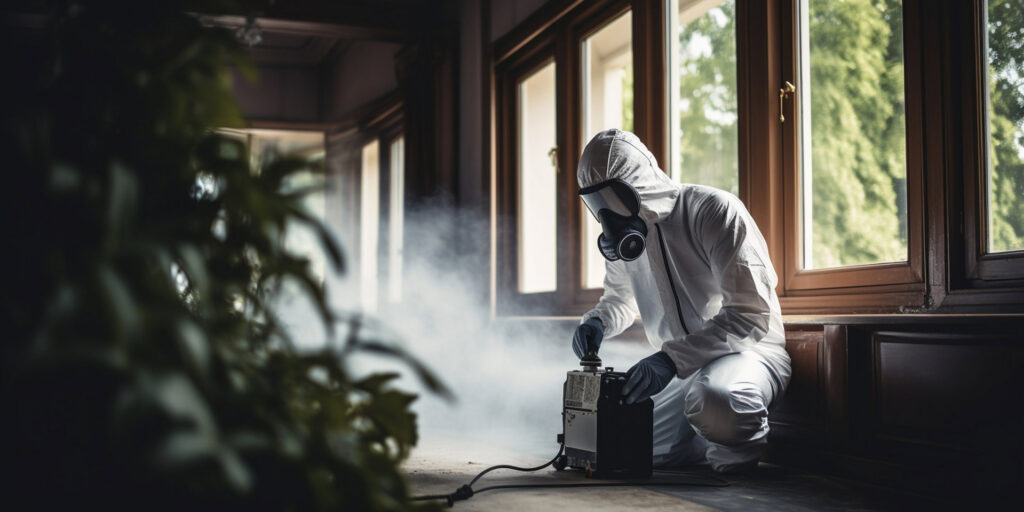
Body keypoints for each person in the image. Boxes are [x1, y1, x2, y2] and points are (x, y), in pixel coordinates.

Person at [570, 129, 791, 473]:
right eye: (598, 204)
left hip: (747, 352)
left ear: (637, 183)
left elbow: (750, 314)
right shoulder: (627, 240)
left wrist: (670, 360)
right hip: (678, 369)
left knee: (718, 402)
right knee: (613, 441)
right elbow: (620, 300)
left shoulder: (713, 211)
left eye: (614, 198)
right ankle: (699, 439)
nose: (607, 215)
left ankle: (734, 474)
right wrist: (597, 321)